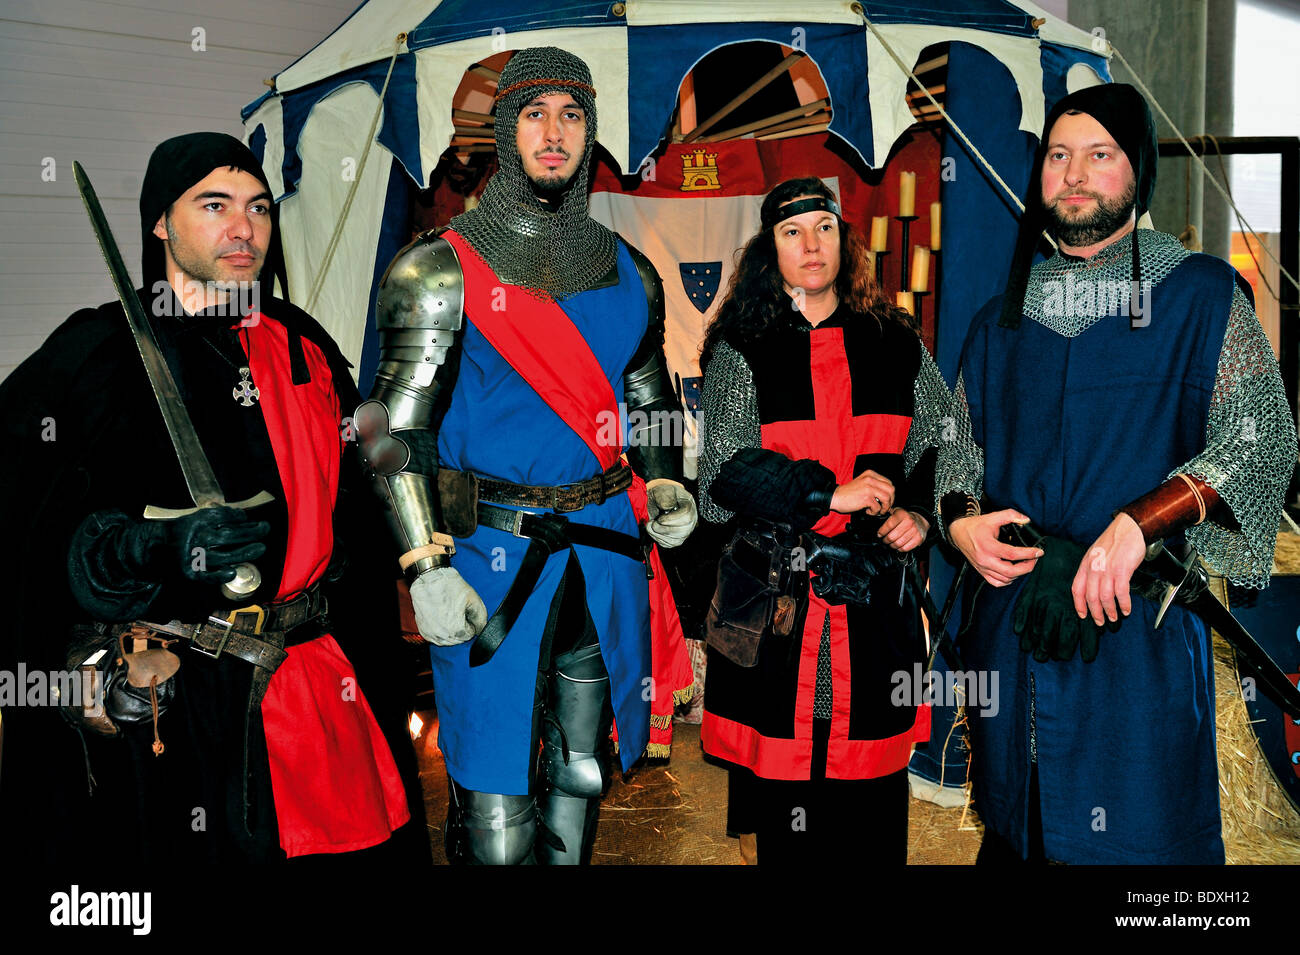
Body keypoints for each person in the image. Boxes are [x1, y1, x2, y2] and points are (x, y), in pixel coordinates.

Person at [0, 132, 425, 865]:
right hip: (179, 698)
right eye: (216, 205)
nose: (244, 227)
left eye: (259, 207)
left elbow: (367, 484)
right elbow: (26, 512)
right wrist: (142, 551)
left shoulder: (304, 344)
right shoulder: (98, 352)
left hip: (316, 677)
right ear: (161, 223)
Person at [937, 83, 1298, 864]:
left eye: (1099, 156)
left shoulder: (1200, 295)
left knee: (1141, 841)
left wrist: (1140, 522)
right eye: (1059, 157)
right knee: (1019, 831)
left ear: (1136, 170)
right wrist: (961, 522)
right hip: (1021, 624)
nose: (1074, 174)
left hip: (1138, 631)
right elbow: (952, 449)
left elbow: (1263, 436)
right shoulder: (999, 315)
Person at [356, 47, 696, 865]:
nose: (555, 132)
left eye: (572, 115)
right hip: (488, 558)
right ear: (505, 130)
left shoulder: (630, 270)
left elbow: (647, 401)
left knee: (583, 771)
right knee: (495, 798)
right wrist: (421, 565)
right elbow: (390, 430)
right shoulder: (436, 268)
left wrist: (663, 483)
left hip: (607, 550)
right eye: (535, 113)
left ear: (592, 135)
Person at [696, 177, 951, 865]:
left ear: (846, 238)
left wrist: (921, 513)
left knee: (872, 807)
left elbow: (948, 439)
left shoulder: (895, 341)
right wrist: (826, 493)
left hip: (874, 611)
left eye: (825, 227)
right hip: (781, 608)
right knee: (792, 815)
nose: (812, 245)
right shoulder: (743, 346)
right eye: (792, 231)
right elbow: (718, 477)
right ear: (767, 248)